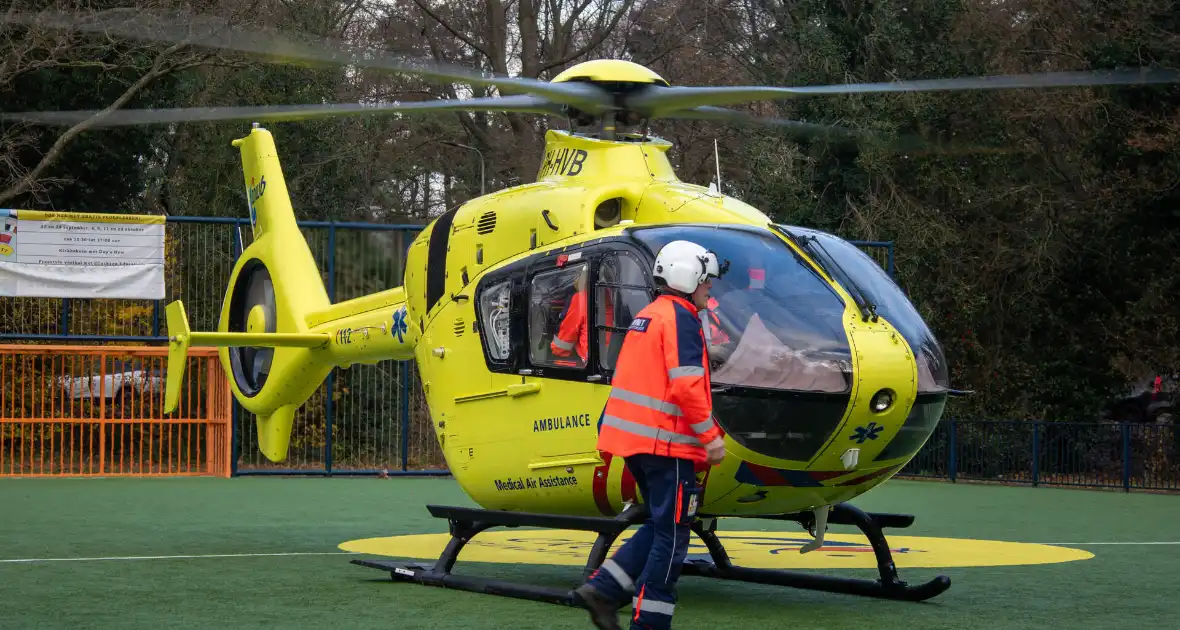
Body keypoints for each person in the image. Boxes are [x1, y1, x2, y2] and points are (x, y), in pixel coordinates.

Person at [575, 240, 727, 630]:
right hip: (669, 446)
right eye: (706, 281)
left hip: (639, 447)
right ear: (687, 276)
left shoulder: (648, 316)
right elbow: (687, 385)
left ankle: (605, 589)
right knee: (673, 537)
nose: (709, 289)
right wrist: (710, 436)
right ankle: (649, 623)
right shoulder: (682, 319)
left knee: (663, 525)